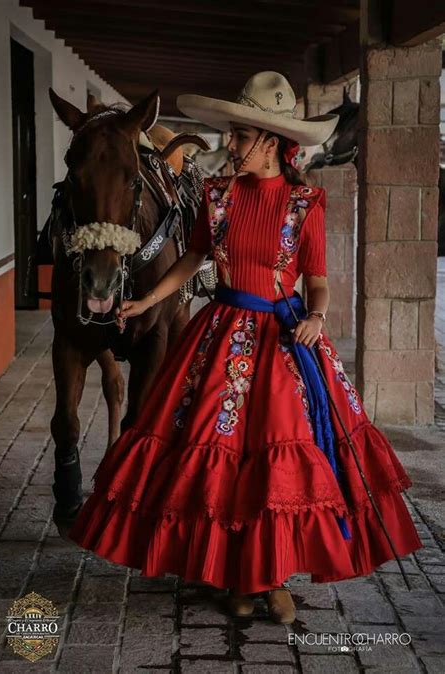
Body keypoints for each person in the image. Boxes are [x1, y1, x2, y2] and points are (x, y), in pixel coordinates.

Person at [67, 72, 423, 625]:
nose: (229, 146)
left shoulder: (306, 204)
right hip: (221, 337)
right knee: (217, 459)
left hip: (283, 341)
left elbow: (318, 277)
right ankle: (235, 573)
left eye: (239, 137)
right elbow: (193, 260)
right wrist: (147, 301)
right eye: (232, 135)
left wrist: (317, 314)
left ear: (271, 143)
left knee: (274, 461)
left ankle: (271, 575)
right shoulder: (218, 197)